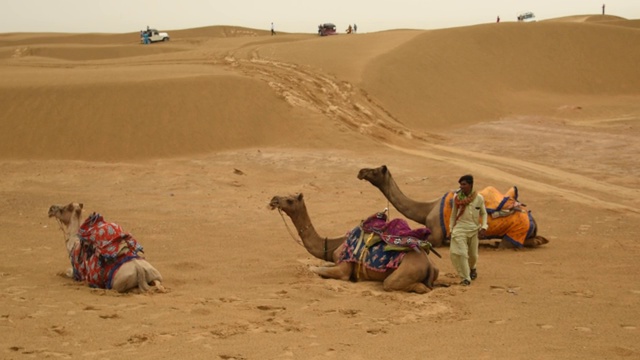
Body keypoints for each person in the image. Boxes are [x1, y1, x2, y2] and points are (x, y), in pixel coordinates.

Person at [449, 174, 488, 286]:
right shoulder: (457, 199)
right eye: (460, 184)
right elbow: (453, 215)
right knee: (461, 253)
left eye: (464, 184)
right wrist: (451, 229)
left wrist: (484, 226)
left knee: (473, 255)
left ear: (470, 185)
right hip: (460, 228)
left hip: (474, 229)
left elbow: (484, 213)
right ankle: (465, 278)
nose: (461, 187)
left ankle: (473, 268)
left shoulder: (479, 198)